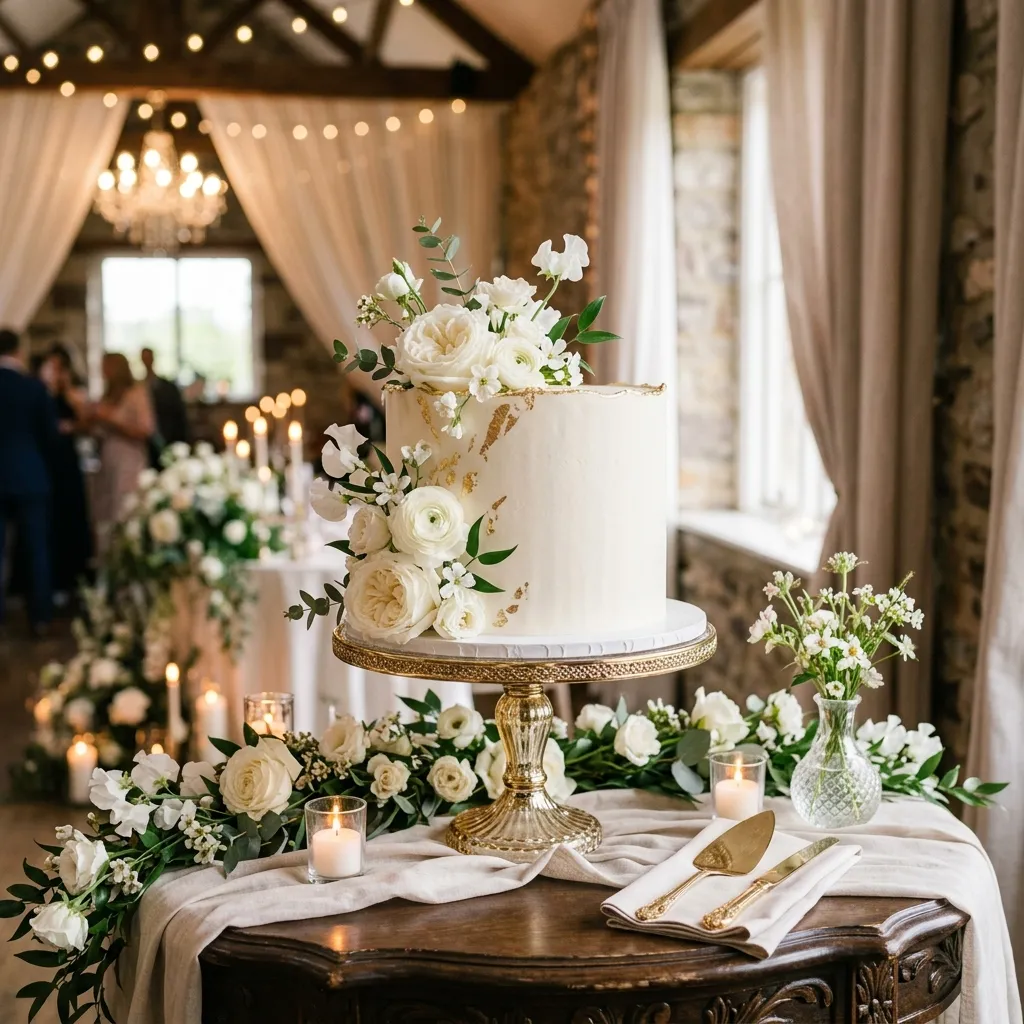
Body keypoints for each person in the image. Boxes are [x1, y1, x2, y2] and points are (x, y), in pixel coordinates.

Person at [0, 328, 58, 634]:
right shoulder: (33, 388)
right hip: (29, 475)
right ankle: (41, 617)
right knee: (37, 549)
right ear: (18, 351)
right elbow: (49, 435)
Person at [39, 344, 94, 595]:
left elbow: (87, 423)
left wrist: (70, 425)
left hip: (67, 462)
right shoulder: (41, 392)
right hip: (48, 461)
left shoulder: (74, 392)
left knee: (71, 514)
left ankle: (75, 578)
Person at [90, 352, 155, 553]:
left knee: (126, 509)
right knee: (106, 510)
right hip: (108, 458)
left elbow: (145, 430)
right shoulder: (106, 396)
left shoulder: (136, 394)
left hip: (129, 459)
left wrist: (111, 421)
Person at [139, 347, 188, 466]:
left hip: (168, 436)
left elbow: (179, 415)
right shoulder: (139, 388)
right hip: (146, 444)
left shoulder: (168, 387)